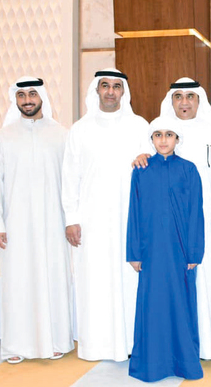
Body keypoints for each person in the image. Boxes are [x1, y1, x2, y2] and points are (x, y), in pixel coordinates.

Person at [62, 69, 152, 362]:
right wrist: (71, 218)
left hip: (130, 219)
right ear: (97, 90)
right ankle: (97, 345)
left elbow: (153, 168)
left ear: (123, 91)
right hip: (92, 220)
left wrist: (147, 158)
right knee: (95, 281)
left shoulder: (139, 126)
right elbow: (70, 177)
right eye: (105, 86)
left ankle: (131, 343)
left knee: (129, 281)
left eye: (116, 86)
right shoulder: (80, 130)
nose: (110, 92)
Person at [133, 77, 211, 360]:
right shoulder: (161, 131)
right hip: (169, 227)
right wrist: (140, 155)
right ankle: (175, 345)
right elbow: (149, 168)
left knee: (206, 278)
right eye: (178, 97)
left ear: (199, 100)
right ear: (170, 101)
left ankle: (206, 344)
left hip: (206, 219)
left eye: (190, 96)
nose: (184, 102)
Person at [0, 77, 74, 364]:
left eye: (32, 94)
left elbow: (70, 182)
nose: (27, 100)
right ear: (15, 99)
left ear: (42, 97)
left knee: (54, 279)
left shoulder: (61, 135)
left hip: (53, 222)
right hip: (16, 224)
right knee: (18, 283)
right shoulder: (2, 137)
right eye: (22, 95)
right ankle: (16, 345)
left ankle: (56, 340)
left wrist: (71, 219)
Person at [127, 116, 204, 382]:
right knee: (153, 306)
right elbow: (134, 212)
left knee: (180, 304)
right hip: (150, 252)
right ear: (151, 139)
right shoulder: (141, 170)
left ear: (177, 139)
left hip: (180, 252)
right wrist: (134, 253)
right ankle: (152, 364)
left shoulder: (189, 170)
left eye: (169, 134)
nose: (163, 140)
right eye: (157, 135)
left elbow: (196, 213)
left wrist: (194, 252)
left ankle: (183, 363)